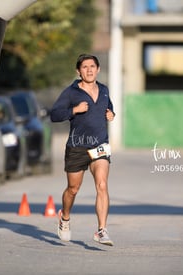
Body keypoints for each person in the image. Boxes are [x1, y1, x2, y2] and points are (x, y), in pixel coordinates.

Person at [50, 54, 115, 246]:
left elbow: (108, 107)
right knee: (73, 189)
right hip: (77, 147)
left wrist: (111, 114)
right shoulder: (71, 92)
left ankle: (101, 230)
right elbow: (54, 115)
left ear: (98, 69)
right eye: (85, 67)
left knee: (102, 185)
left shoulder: (104, 90)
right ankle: (65, 217)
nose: (89, 70)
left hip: (99, 145)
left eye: (92, 66)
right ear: (79, 71)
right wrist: (74, 111)